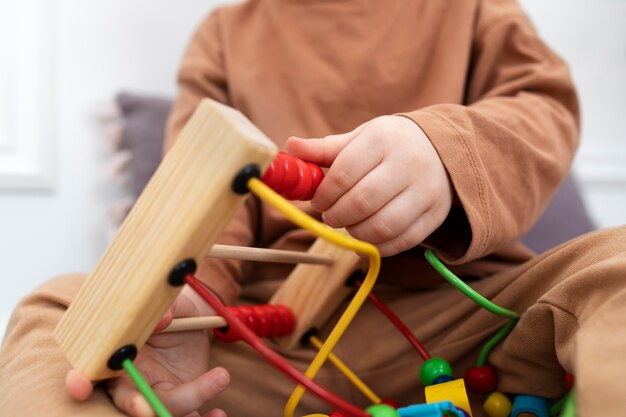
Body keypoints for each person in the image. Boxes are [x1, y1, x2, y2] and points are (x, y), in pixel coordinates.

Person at [2, 0, 625, 416]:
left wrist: (445, 153)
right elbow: (199, 186)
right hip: (265, 348)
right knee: (58, 315)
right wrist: (185, 301)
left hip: (464, 321)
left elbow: (542, 108)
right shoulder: (226, 32)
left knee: (616, 265)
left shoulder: (468, 8)